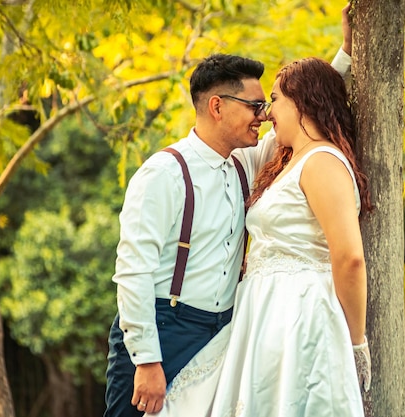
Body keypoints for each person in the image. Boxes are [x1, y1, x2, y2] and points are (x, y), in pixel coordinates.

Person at [104, 6, 355, 417]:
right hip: (165, 329)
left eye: (266, 105)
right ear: (217, 106)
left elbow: (304, 113)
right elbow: (133, 271)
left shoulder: (248, 160)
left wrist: (344, 54)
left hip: (225, 333)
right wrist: (147, 360)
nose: (266, 114)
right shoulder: (163, 173)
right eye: (255, 106)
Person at [208, 56, 373, 417]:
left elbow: (350, 257)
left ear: (302, 102)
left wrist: (357, 344)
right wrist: (343, 53)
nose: (267, 112)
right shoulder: (286, 161)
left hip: (302, 312)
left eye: (275, 100)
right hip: (266, 312)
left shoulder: (323, 162)